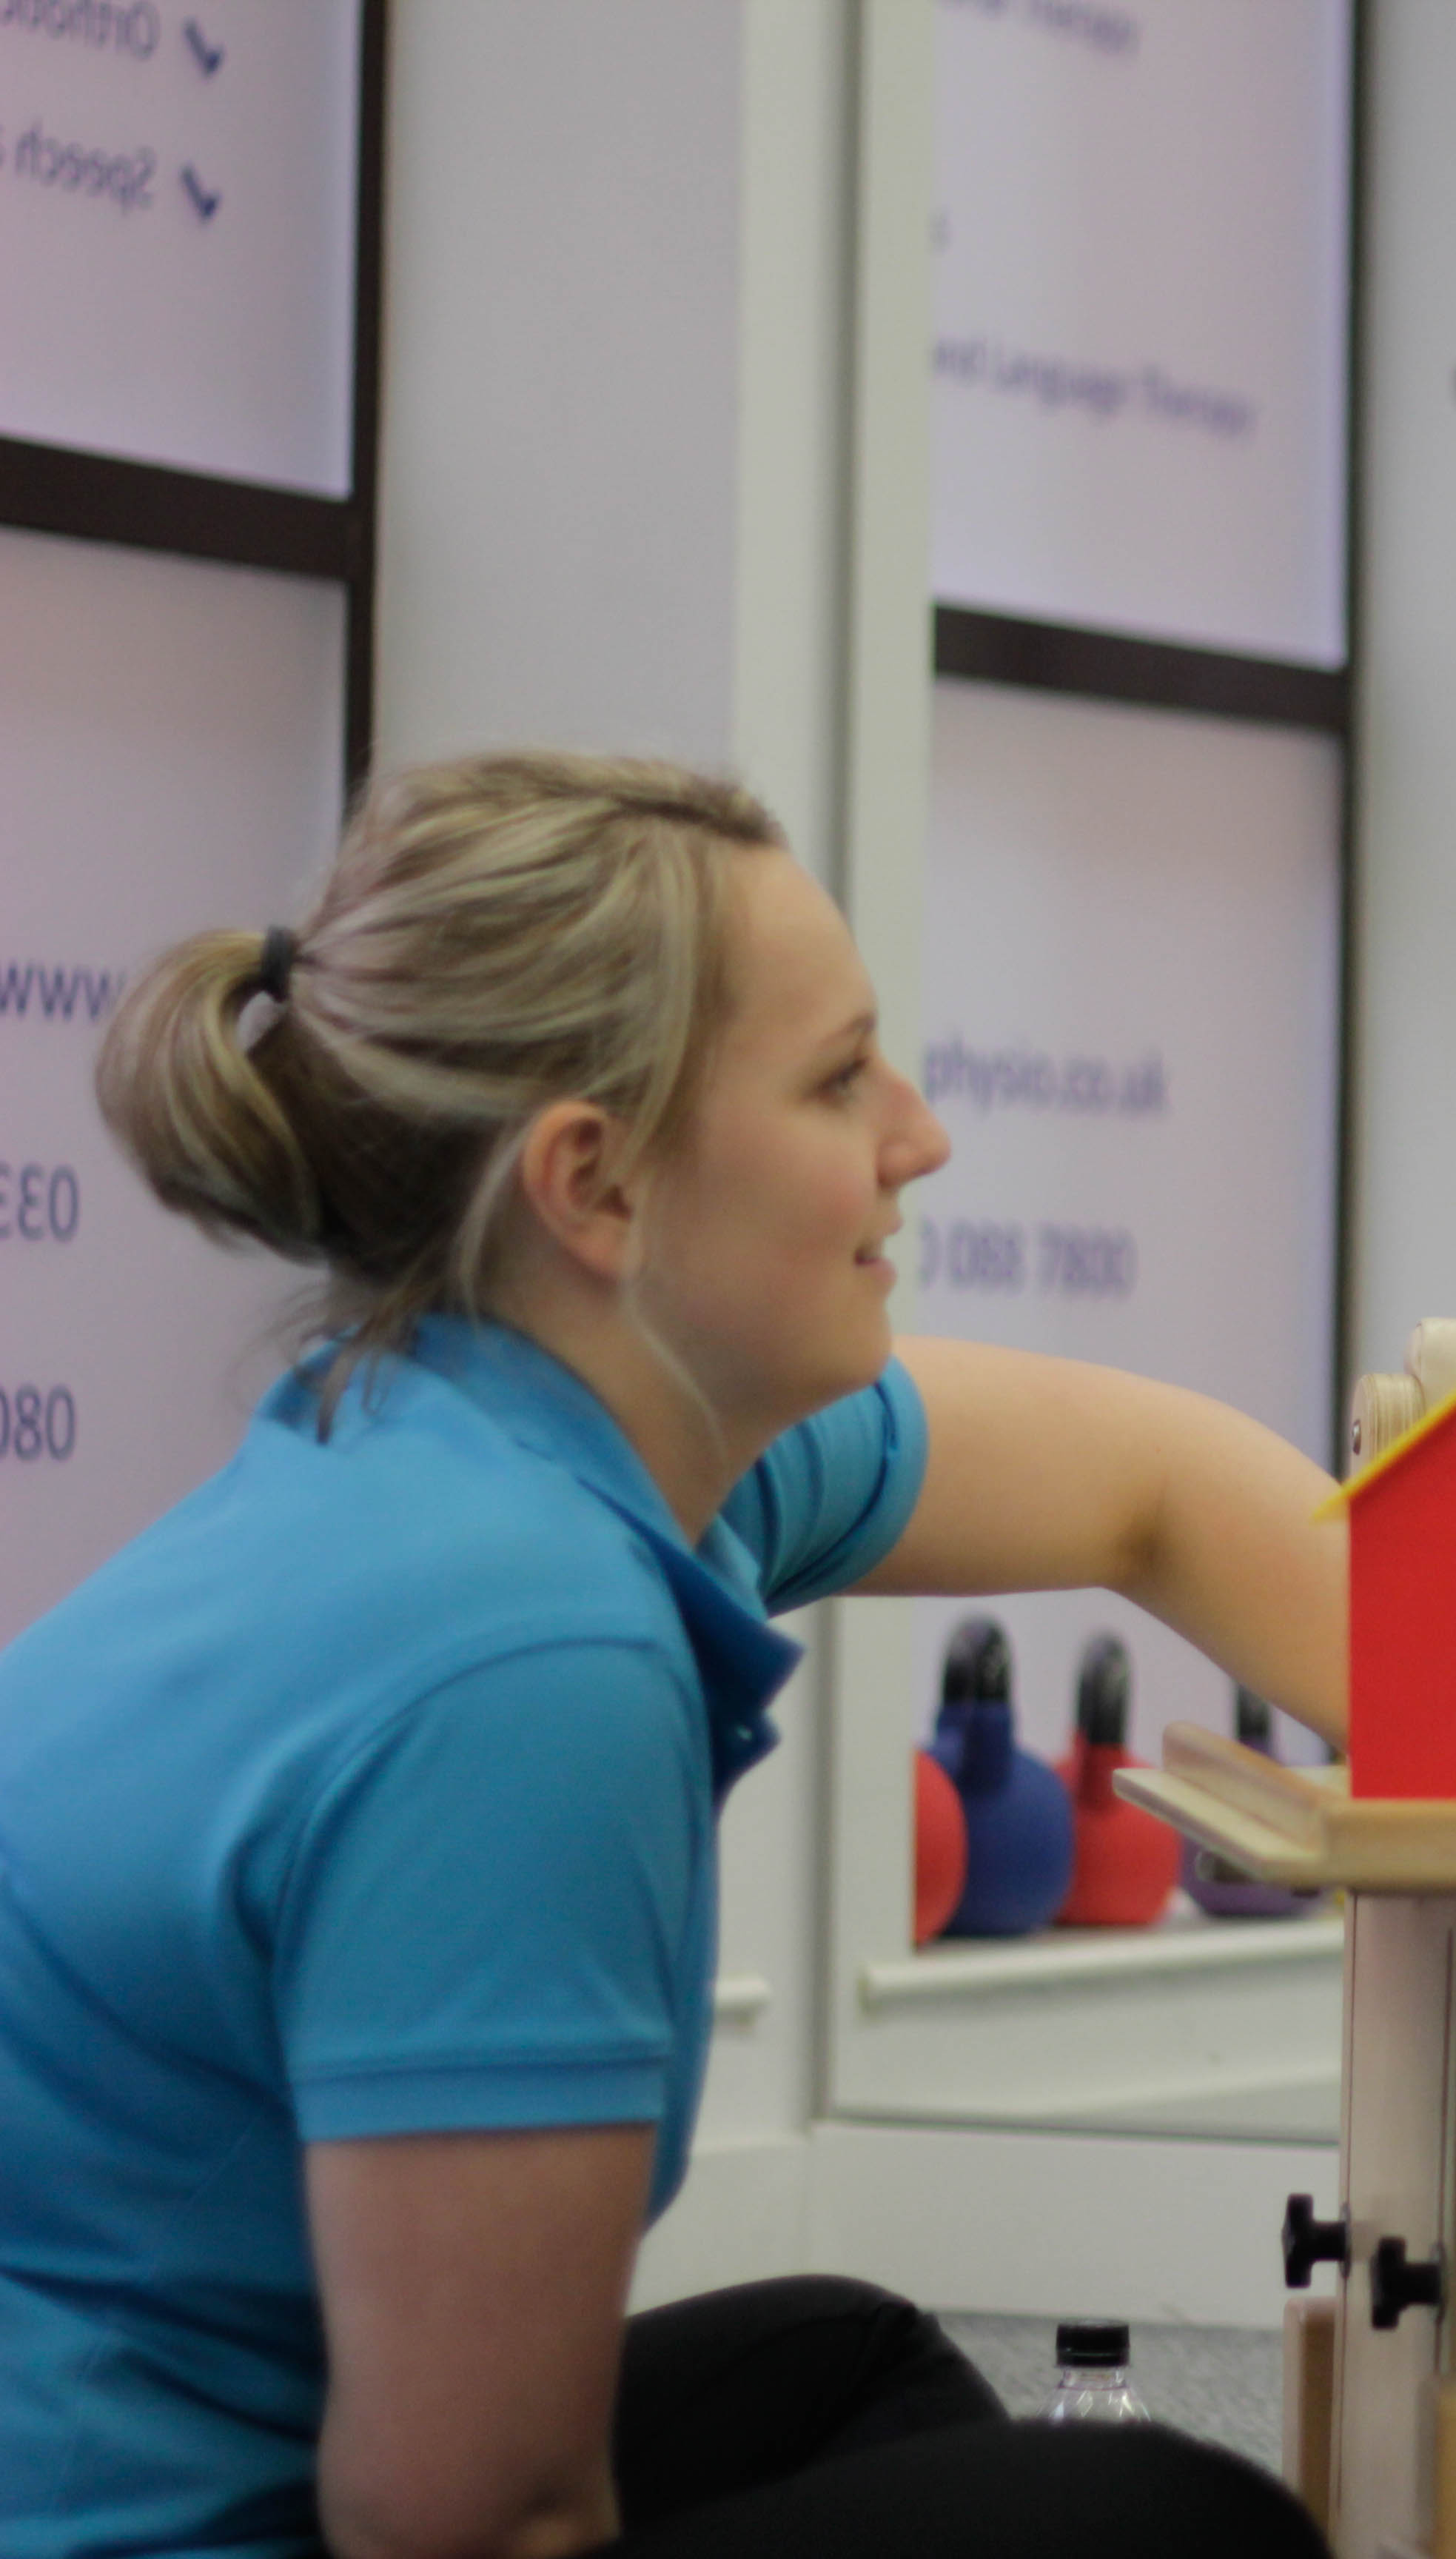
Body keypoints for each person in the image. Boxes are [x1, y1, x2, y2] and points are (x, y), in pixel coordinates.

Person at [0, 755, 1341, 2559]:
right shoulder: (517, 1653)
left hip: (241, 2452)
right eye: (834, 1075)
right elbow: (464, 2519)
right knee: (1154, 2518)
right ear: (597, 1184)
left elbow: (1154, 1486)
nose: (919, 1132)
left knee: (839, 2371)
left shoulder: (519, 1425)